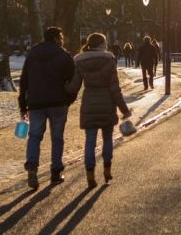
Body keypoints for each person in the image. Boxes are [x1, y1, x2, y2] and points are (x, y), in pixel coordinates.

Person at [66, 33, 131, 188]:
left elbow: (74, 86)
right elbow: (115, 88)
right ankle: (107, 170)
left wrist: (62, 86)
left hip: (89, 103)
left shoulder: (80, 61)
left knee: (90, 141)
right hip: (107, 104)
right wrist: (124, 109)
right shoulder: (109, 60)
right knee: (107, 139)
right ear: (102, 44)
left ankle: (90, 173)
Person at [18, 27, 76, 189]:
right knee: (57, 137)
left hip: (36, 102)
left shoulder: (33, 54)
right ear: (57, 38)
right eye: (61, 36)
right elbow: (73, 81)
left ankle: (32, 164)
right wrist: (69, 99)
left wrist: (23, 104)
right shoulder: (64, 55)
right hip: (58, 102)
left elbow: (24, 81)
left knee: (35, 135)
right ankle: (56, 172)